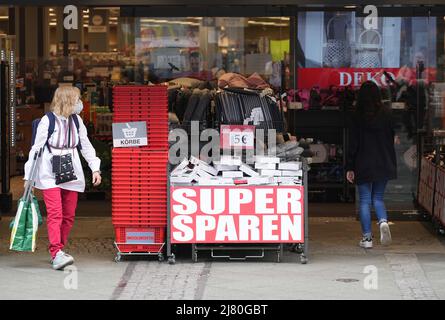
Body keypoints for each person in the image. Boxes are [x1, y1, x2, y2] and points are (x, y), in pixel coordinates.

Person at [24, 86, 102, 270]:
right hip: (49, 172)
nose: (80, 104)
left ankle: (59, 249)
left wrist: (95, 169)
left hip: (71, 170)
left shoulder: (77, 121)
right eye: (77, 100)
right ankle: (56, 252)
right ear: (67, 101)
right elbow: (36, 150)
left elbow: (85, 145)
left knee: (69, 215)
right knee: (55, 213)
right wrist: (29, 177)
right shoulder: (47, 121)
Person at [346, 81, 397, 249]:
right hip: (383, 161)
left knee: (365, 200)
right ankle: (383, 221)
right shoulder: (388, 114)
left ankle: (367, 239)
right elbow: (391, 140)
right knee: (378, 198)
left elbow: (353, 144)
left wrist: (350, 167)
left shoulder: (356, 116)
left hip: (363, 162)